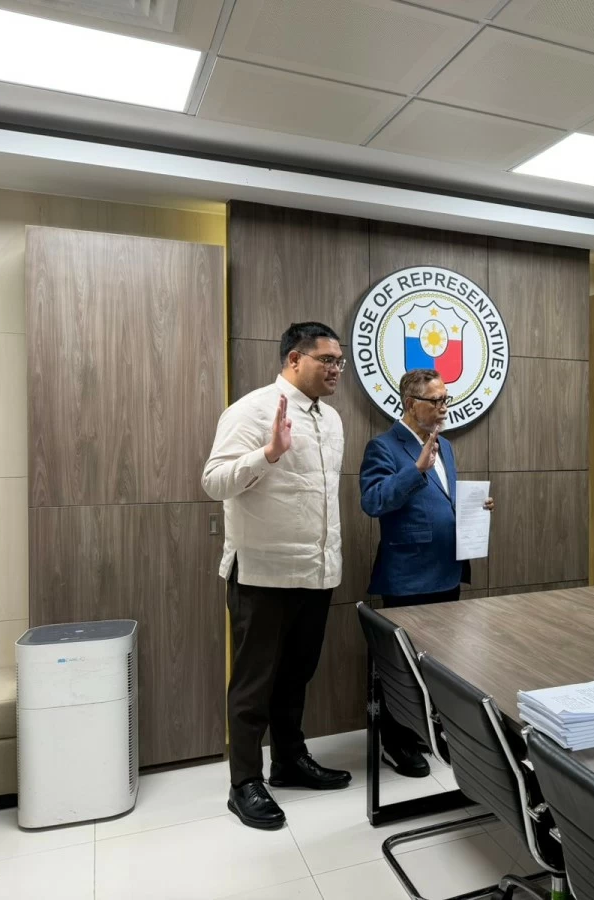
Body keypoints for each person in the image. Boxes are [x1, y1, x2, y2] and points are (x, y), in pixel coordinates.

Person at [202, 322, 350, 830]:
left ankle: (289, 760)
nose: (336, 370)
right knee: (253, 684)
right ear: (293, 359)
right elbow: (213, 480)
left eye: (340, 361)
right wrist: (267, 454)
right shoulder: (250, 409)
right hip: (262, 573)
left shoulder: (331, 419)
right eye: (326, 360)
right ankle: (245, 781)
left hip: (317, 571)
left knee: (296, 676)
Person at [359, 368, 493, 777]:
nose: (443, 408)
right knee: (401, 666)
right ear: (409, 403)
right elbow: (374, 501)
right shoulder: (383, 446)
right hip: (408, 576)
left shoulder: (447, 447)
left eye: (445, 399)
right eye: (435, 401)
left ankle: (425, 732)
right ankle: (396, 743)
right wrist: (414, 470)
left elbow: (442, 502)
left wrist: (472, 509)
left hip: (447, 571)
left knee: (438, 662)